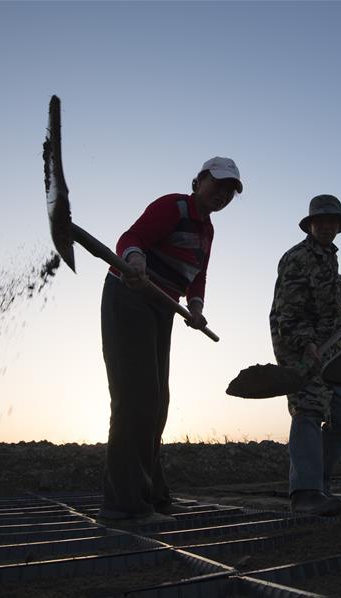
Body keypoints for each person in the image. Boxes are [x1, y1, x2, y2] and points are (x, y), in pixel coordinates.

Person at [98, 157, 243, 524]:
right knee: (136, 397)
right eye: (218, 184)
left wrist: (196, 307)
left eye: (230, 191)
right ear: (199, 181)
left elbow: (198, 277)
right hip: (130, 295)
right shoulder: (174, 206)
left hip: (164, 307)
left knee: (158, 401)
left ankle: (154, 496)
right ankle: (124, 505)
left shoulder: (207, 232)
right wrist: (134, 259)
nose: (222, 194)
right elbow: (132, 238)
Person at [269, 194, 341, 516]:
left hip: (331, 350)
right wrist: (305, 344)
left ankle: (320, 483)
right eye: (322, 221)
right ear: (310, 224)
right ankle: (305, 494)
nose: (328, 227)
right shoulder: (296, 258)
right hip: (300, 348)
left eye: (333, 222)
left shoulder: (328, 257)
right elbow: (288, 311)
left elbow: (334, 286)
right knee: (309, 410)